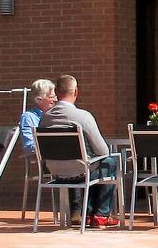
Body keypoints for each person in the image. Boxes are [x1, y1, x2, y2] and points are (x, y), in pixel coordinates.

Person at [43, 73, 117, 224]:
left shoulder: (45, 118)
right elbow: (103, 151)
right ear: (76, 92)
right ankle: (100, 215)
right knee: (109, 162)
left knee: (93, 166)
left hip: (55, 171)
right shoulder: (82, 116)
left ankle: (86, 213)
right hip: (81, 171)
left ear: (56, 92)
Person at [19, 78, 55, 155]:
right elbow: (28, 146)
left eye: (55, 96)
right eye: (51, 97)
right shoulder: (28, 117)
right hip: (44, 161)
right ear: (39, 99)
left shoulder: (58, 114)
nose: (55, 100)